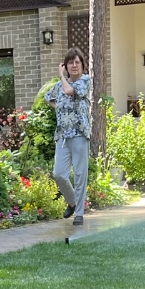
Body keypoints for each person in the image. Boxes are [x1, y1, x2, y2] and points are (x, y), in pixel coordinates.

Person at [45, 49, 91, 226]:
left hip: (79, 134)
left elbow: (69, 90)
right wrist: (58, 106)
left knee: (80, 175)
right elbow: (48, 98)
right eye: (70, 62)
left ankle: (79, 213)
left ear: (82, 65)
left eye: (77, 62)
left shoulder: (85, 81)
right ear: (66, 65)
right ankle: (72, 202)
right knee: (59, 174)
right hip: (62, 136)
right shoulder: (59, 85)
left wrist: (61, 76)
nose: (74, 65)